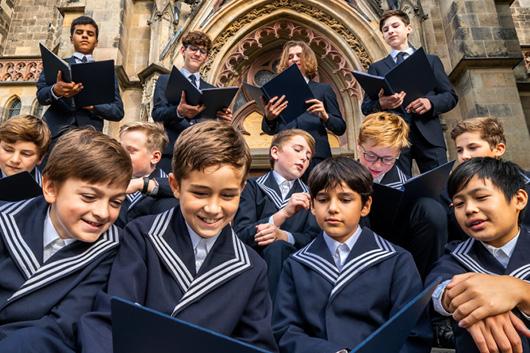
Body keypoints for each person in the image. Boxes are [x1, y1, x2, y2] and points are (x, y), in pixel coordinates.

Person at [78, 120, 278, 353]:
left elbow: (257, 345)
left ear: (242, 190)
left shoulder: (253, 268)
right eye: (200, 193)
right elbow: (110, 316)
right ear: (174, 186)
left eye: (228, 195)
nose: (213, 208)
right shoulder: (142, 236)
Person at [272, 156, 432, 353]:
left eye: (345, 199)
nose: (332, 208)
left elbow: (414, 332)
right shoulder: (296, 264)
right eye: (322, 200)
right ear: (312, 206)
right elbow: (285, 331)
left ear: (365, 206)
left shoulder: (396, 260)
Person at [0, 129, 132, 353]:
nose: (102, 212)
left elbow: (62, 326)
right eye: (89, 197)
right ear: (50, 188)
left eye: (116, 202)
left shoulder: (111, 251)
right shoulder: (6, 222)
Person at [427, 157, 530, 353]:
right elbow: (437, 290)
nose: (469, 209)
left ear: (519, 199)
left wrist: (520, 291)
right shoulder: (456, 256)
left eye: (481, 197)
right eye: (458, 204)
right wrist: (472, 299)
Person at [361, 9, 458, 176]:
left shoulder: (430, 60)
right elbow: (366, 107)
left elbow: (450, 96)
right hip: (393, 139)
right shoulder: (377, 67)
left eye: (395, 26)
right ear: (383, 36)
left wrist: (430, 102)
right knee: (398, 190)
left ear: (408, 28)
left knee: (439, 189)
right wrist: (381, 104)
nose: (390, 31)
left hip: (429, 136)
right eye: (385, 29)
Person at [357, 112, 448, 279]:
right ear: (359, 145)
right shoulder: (340, 175)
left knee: (432, 210)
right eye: (370, 156)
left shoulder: (406, 185)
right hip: (356, 253)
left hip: (403, 253)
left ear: (398, 154)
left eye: (387, 159)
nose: (377, 165)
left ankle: (423, 286)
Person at [234, 129, 320, 298]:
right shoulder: (252, 187)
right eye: (298, 150)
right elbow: (241, 235)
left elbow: (313, 240)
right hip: (255, 265)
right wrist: (283, 215)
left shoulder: (311, 196)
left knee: (278, 247)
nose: (304, 158)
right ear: (275, 152)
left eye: (308, 156)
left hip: (295, 267)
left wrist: (284, 236)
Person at [261, 41, 346, 178]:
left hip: (316, 157)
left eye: (299, 55)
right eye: (290, 57)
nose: (294, 59)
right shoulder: (278, 91)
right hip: (286, 157)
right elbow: (268, 129)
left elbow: (340, 127)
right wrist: (269, 117)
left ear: (307, 59)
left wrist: (325, 115)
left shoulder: (323, 90)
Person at [152, 31, 232, 172]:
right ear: (183, 50)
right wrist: (179, 111)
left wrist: (222, 122)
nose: (197, 54)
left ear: (206, 57)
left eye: (202, 51)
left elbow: (211, 126)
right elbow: (157, 113)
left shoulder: (211, 89)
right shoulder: (165, 80)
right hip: (171, 153)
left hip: (199, 155)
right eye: (193, 49)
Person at [36, 16, 124, 143]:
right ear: (71, 39)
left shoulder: (106, 72)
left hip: (89, 138)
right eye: (79, 32)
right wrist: (55, 90)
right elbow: (41, 96)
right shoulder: (55, 64)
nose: (84, 36)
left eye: (90, 34)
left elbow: (117, 111)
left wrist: (93, 105)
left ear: (96, 41)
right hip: (54, 134)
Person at [116, 121, 178, 227]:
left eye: (131, 151)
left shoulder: (167, 196)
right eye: (120, 148)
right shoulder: (111, 176)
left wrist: (142, 184)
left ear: (155, 157)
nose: (121, 155)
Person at [0, 114, 51, 185]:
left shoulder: (49, 193)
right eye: (8, 150)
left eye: (26, 154)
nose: (15, 160)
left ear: (40, 158)